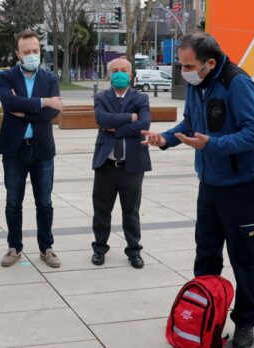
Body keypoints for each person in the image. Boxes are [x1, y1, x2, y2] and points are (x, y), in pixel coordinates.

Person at [142, 33, 254, 348]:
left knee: (244, 258)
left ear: (210, 63)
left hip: (242, 187)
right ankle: (207, 314)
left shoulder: (237, 83)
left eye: (189, 65)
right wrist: (165, 138)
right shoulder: (198, 83)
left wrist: (213, 144)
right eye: (181, 65)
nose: (184, 71)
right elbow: (188, 123)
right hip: (209, 185)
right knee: (206, 255)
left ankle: (246, 321)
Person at [0, 30, 64, 268]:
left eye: (35, 51)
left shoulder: (50, 79)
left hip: (42, 150)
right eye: (27, 52)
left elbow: (55, 112)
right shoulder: (5, 77)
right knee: (13, 202)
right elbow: (9, 103)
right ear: (18, 53)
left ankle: (47, 248)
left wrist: (24, 111)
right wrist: (43, 102)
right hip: (14, 150)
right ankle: (14, 247)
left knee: (44, 202)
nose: (32, 55)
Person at [91, 58, 152, 269]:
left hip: (132, 166)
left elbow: (144, 124)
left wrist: (116, 129)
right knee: (101, 210)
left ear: (131, 74)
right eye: (115, 71)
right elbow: (102, 120)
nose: (119, 74)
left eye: (123, 70)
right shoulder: (101, 97)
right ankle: (99, 248)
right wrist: (130, 117)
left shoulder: (141, 97)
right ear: (108, 75)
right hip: (106, 165)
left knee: (131, 211)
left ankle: (134, 251)